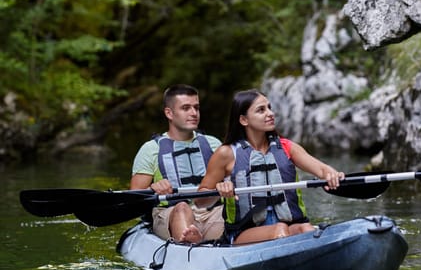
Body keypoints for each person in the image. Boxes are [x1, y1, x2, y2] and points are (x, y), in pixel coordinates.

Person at [195, 89, 345, 245]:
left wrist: (331, 174)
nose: (270, 113)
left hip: (288, 227)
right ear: (244, 120)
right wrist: (219, 192)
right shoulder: (226, 153)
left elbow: (322, 170)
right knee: (279, 230)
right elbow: (200, 201)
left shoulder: (287, 147)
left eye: (269, 107)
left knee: (305, 230)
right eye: (261, 110)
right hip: (243, 234)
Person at [130, 84, 223, 243]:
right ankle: (188, 246)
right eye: (186, 108)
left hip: (210, 212)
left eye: (196, 107)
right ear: (169, 113)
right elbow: (134, 199)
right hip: (171, 212)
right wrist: (153, 189)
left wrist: (225, 185)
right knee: (182, 208)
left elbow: (232, 179)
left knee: (233, 214)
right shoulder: (151, 149)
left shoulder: (214, 144)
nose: (194, 113)